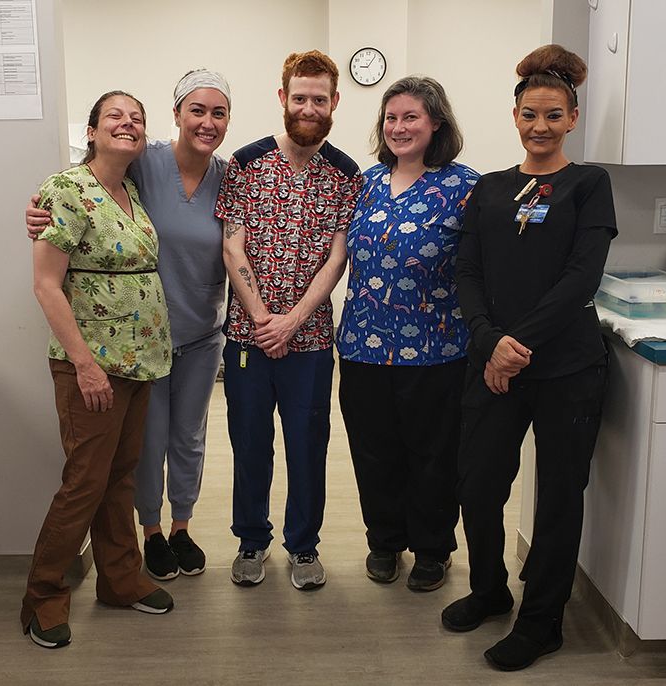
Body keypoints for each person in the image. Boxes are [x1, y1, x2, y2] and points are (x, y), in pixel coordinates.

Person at [440, 45, 617, 671]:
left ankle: (542, 621)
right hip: (491, 361)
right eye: (529, 114)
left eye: (553, 115)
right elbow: (467, 271)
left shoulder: (589, 185)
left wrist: (516, 347)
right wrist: (491, 342)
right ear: (514, 116)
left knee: (560, 494)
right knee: (479, 482)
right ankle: (489, 589)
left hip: (568, 367)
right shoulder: (489, 189)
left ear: (572, 117)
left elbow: (580, 280)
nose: (540, 126)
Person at [26, 70, 231, 581]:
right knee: (140, 450)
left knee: (187, 439)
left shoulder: (225, 177)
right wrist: (38, 212)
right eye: (196, 110)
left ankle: (179, 530)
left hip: (199, 335)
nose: (206, 122)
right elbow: (80, 195)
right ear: (177, 114)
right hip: (133, 350)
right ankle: (151, 533)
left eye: (218, 112)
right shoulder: (142, 165)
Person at [22, 91, 174, 649]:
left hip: (138, 362)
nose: (128, 124)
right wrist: (85, 366)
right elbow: (46, 285)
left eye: (137, 118)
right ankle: (43, 594)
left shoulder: (129, 190)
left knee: (120, 475)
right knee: (84, 482)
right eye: (116, 116)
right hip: (91, 366)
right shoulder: (66, 189)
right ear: (91, 131)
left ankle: (119, 579)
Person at [215, 50, 362, 590]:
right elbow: (233, 246)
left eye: (319, 99)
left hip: (312, 340)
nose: (308, 107)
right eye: (299, 97)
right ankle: (251, 540)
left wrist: (293, 322)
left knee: (307, 443)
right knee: (250, 441)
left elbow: (337, 257)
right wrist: (261, 318)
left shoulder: (346, 175)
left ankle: (303, 547)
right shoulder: (246, 165)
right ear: (283, 98)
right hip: (247, 336)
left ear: (334, 103)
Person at [335, 77, 478, 592]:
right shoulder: (366, 183)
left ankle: (433, 549)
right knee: (374, 451)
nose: (398, 127)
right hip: (362, 346)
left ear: (435, 122)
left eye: (410, 117)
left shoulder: (464, 186)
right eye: (391, 118)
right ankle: (385, 540)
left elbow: (481, 265)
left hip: (436, 349)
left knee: (434, 455)